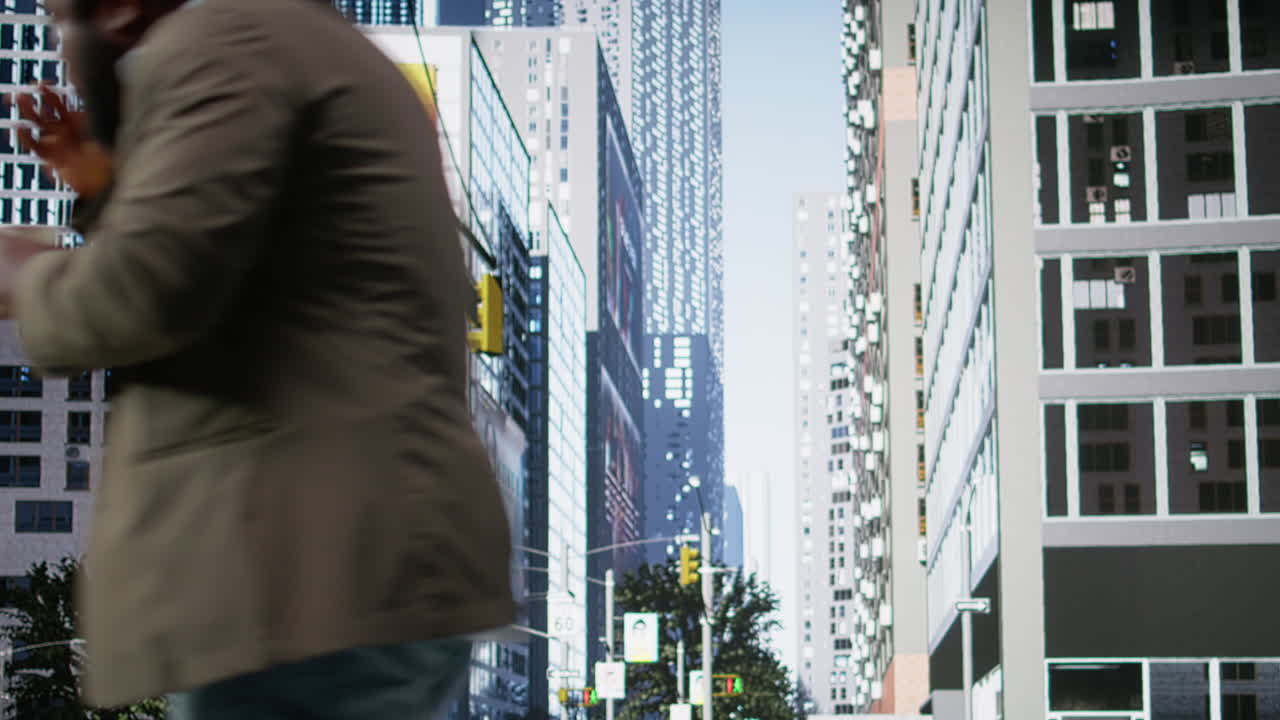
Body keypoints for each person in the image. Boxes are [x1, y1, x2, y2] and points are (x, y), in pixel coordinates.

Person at [0, 0, 516, 717]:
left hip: (305, 580)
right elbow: (255, 269)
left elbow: (151, 292)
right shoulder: (309, 44)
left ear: (115, 9)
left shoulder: (229, 39)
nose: (64, 46)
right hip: (356, 572)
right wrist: (100, 183)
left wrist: (24, 275)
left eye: (62, 20)